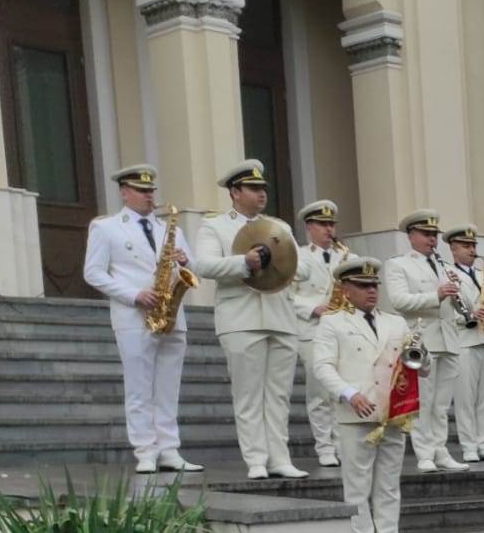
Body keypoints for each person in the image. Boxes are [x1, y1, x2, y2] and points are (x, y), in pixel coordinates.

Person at [193, 159, 308, 480]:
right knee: (248, 394)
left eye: (263, 189)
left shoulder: (278, 227)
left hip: (281, 317)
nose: (261, 195)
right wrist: (243, 262)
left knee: (279, 394)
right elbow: (203, 265)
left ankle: (280, 458)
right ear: (235, 192)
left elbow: (305, 268)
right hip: (241, 319)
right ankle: (256, 459)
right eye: (254, 189)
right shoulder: (215, 226)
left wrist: (283, 260)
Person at [83, 163, 198, 474]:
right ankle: (145, 451)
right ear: (124, 192)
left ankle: (170, 449)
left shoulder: (168, 228)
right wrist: (134, 295)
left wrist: (186, 261)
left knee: (168, 386)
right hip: (134, 315)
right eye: (142, 190)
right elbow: (92, 272)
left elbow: (192, 267)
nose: (150, 196)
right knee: (139, 386)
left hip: (171, 314)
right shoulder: (106, 228)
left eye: (151, 190)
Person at [311, 258, 420, 533]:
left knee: (388, 488)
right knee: (357, 488)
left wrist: (421, 358)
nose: (371, 291)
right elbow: (323, 367)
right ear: (346, 289)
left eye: (374, 285)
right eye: (363, 285)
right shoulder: (333, 322)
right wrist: (348, 393)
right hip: (356, 413)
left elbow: (415, 366)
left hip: (393, 413)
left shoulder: (396, 322)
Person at [382, 210, 467, 472]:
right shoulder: (398, 265)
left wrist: (458, 287)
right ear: (411, 236)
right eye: (426, 234)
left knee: (441, 404)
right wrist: (437, 295)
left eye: (434, 235)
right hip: (422, 340)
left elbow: (469, 306)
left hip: (449, 339)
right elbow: (399, 301)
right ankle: (424, 453)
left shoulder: (446, 266)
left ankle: (440, 450)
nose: (432, 240)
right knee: (424, 401)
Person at [437, 225, 484, 463]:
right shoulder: (446, 273)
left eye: (473, 246)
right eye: (466, 246)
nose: (472, 250)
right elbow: (444, 311)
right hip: (465, 341)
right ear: (453, 248)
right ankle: (469, 446)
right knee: (465, 399)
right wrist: (468, 316)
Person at [290, 200, 352, 467]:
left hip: (342, 330)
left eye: (332, 224)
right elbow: (286, 295)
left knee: (342, 390)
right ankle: (324, 447)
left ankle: (343, 445)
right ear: (309, 227)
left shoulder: (347, 257)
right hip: (312, 329)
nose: (329, 230)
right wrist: (313, 307)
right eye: (323, 225)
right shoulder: (298, 256)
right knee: (319, 393)